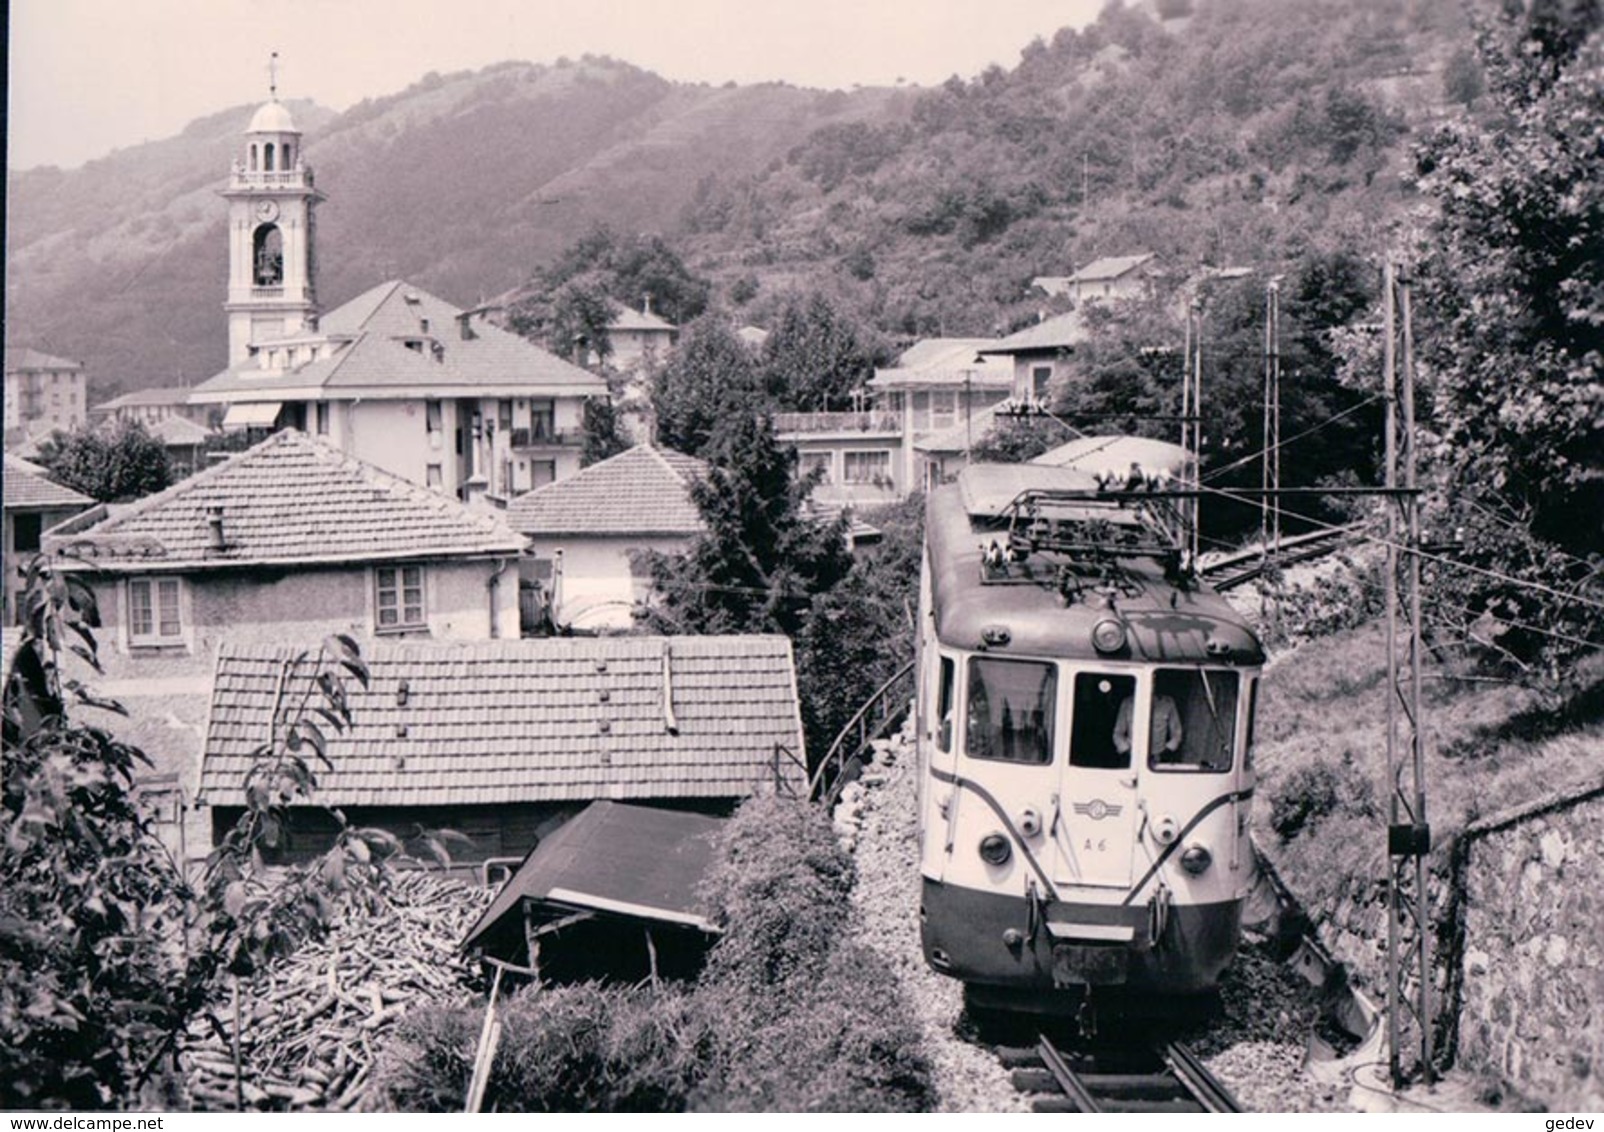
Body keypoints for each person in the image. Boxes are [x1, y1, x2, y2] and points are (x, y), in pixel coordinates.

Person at [1113, 692, 1184, 761]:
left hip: (1158, 756)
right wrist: (1126, 750)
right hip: (1132, 756)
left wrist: (1166, 751)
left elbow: (1177, 732)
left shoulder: (1167, 703)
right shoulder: (1128, 703)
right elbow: (1118, 732)